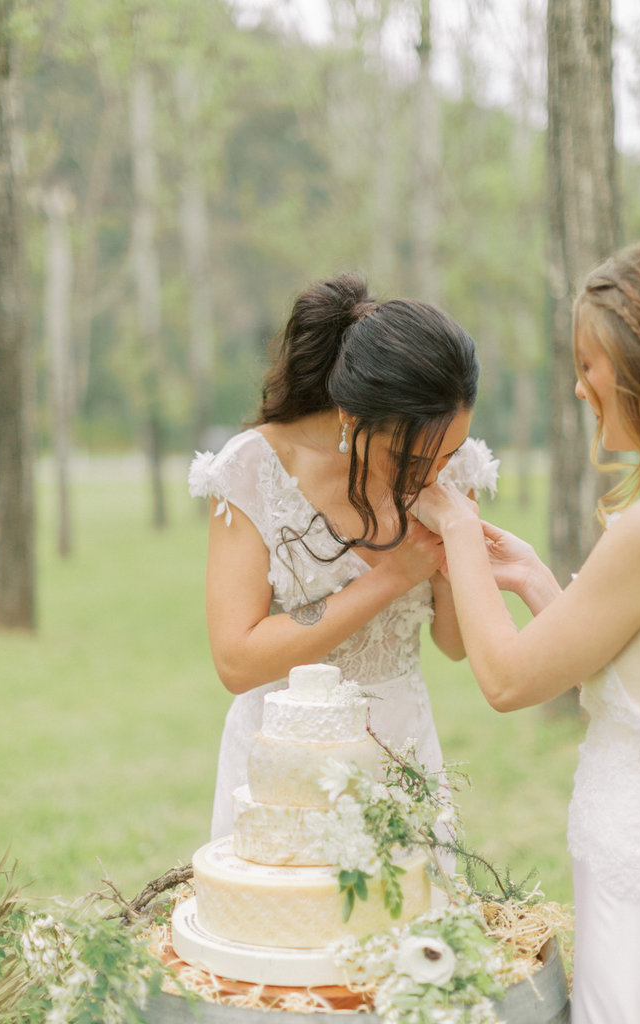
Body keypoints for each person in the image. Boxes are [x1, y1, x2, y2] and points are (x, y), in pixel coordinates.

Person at [413, 229, 640, 1024]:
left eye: (586, 365)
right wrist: (529, 576)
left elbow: (505, 679)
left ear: (636, 367)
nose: (578, 387)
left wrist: (455, 525)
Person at [189, 272, 498, 842]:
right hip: (285, 769)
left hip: (404, 755)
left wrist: (457, 550)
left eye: (447, 451)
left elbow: (454, 645)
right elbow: (237, 661)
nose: (434, 473)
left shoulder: (453, 469)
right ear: (353, 420)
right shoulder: (253, 470)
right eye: (409, 457)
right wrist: (392, 579)